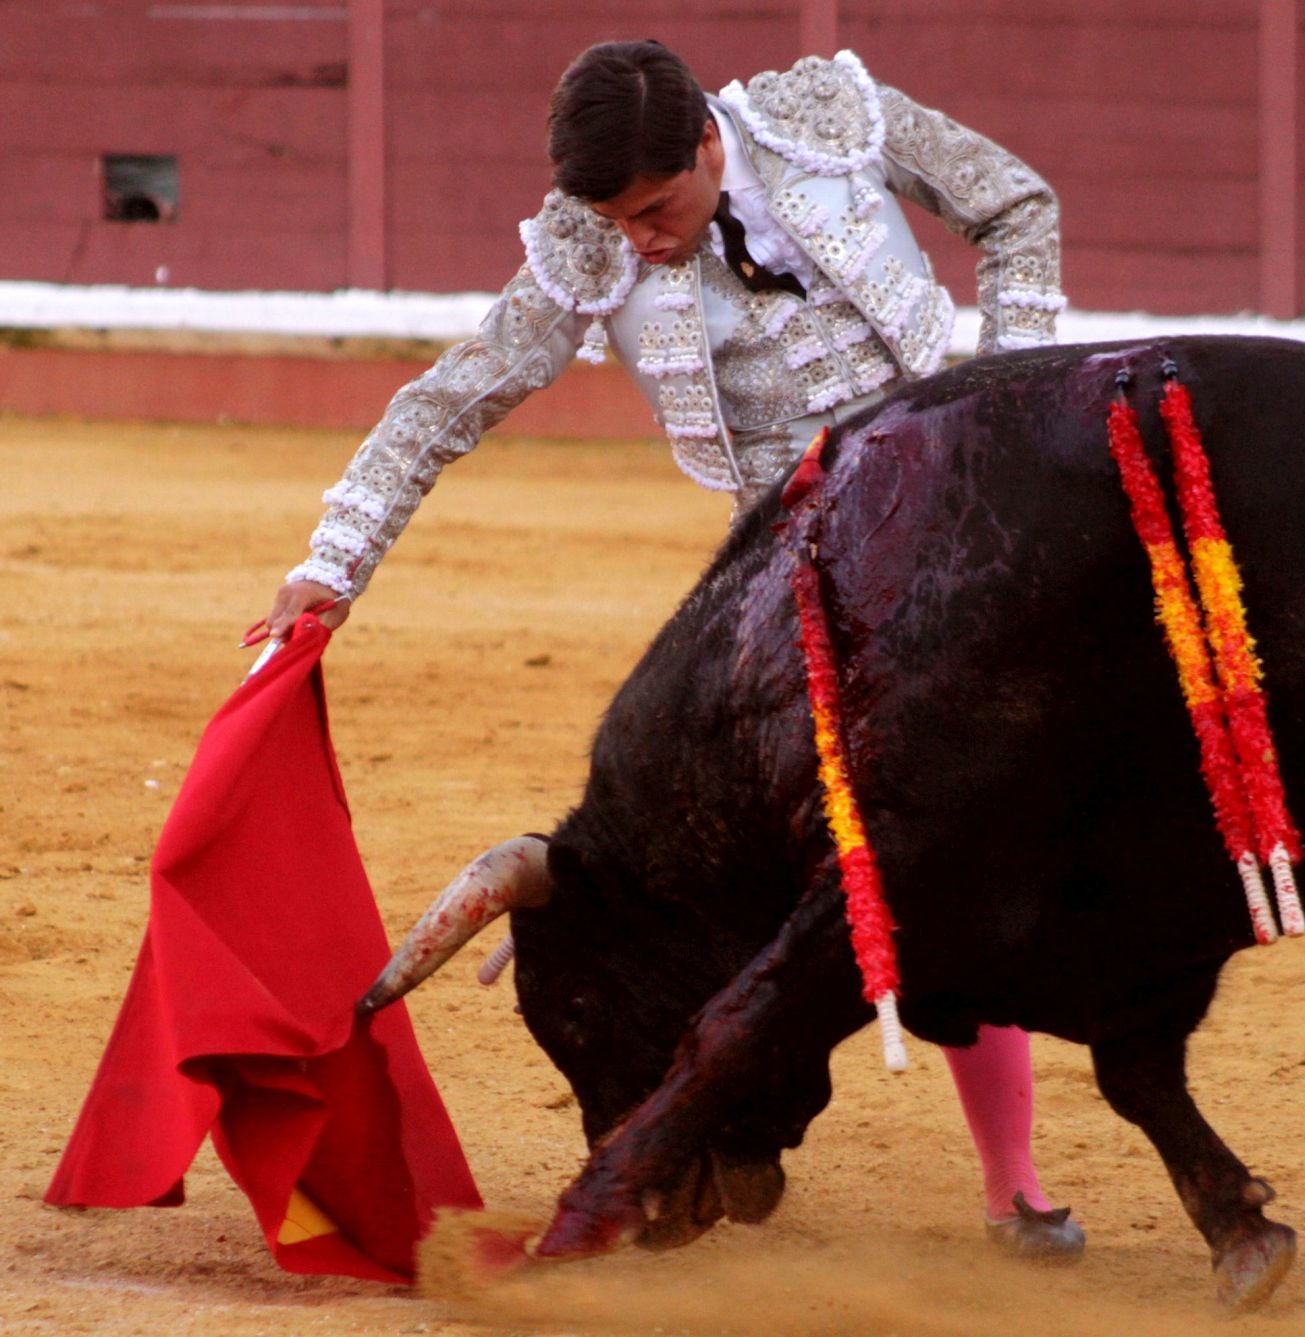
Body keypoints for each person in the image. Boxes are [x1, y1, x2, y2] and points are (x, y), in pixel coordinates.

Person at [259, 40, 1079, 1258]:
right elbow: (449, 399)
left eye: (656, 210)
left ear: (709, 142)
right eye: (614, 218)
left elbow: (1016, 202)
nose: (636, 240)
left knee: (954, 838)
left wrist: (1012, 387)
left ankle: (1012, 1180)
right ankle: (715, 1125)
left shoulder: (828, 118)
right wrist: (331, 565)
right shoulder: (587, 241)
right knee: (750, 839)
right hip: (786, 567)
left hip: (960, 521)